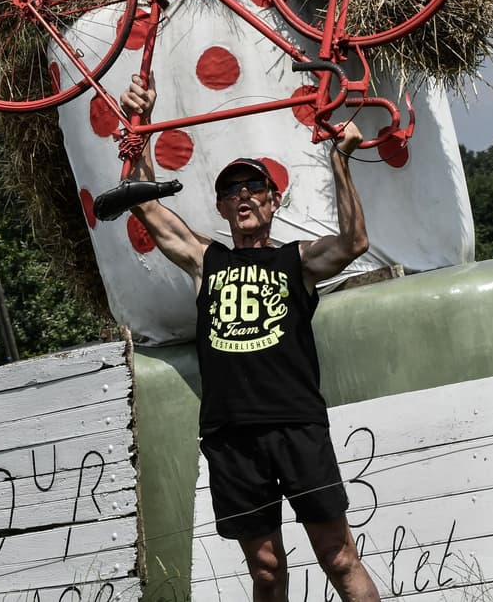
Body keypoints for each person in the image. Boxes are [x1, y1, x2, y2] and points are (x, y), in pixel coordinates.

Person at [120, 74, 380, 602]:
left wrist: (341, 160)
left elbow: (354, 241)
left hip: (296, 424)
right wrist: (138, 128)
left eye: (253, 187)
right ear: (219, 209)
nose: (242, 196)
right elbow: (145, 205)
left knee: (337, 557)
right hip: (231, 436)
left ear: (273, 200)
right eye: (230, 190)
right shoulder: (204, 260)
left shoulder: (297, 261)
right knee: (265, 570)